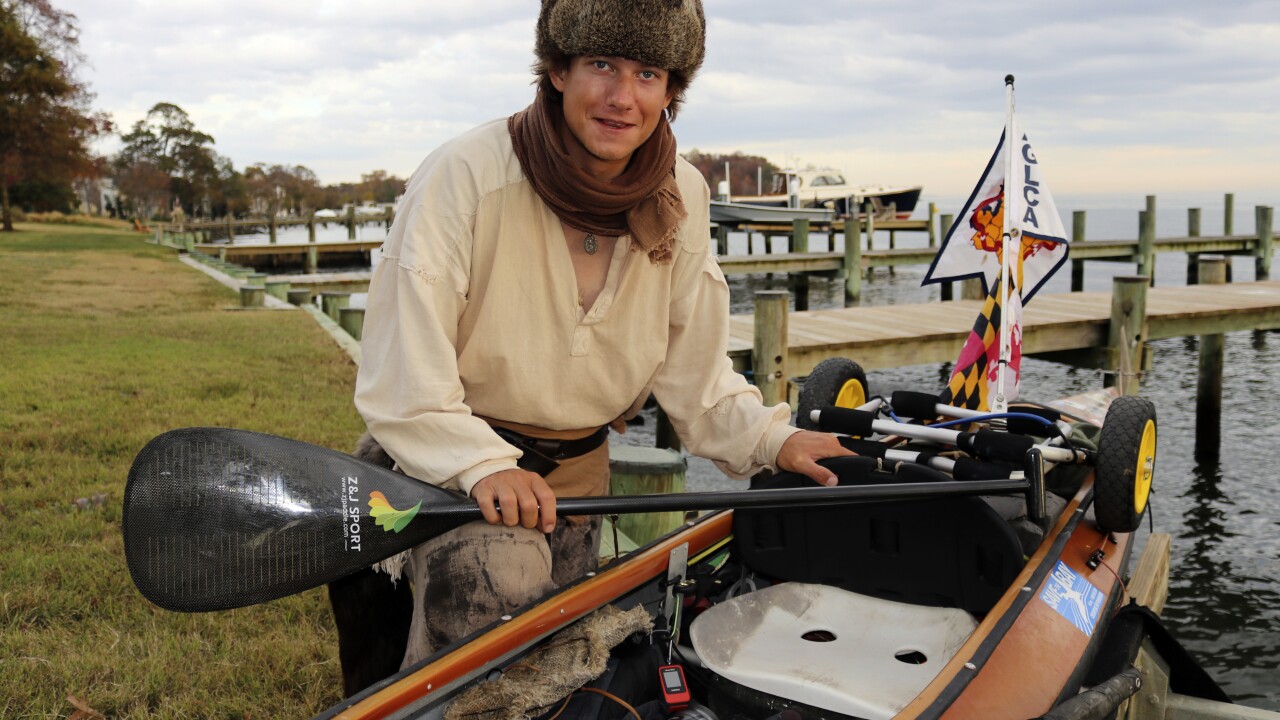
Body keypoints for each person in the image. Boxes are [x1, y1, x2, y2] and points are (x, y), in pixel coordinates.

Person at [353, 0, 852, 670]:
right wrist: (482, 465)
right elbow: (402, 378)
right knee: (495, 609)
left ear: (673, 89)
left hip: (579, 484)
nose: (623, 98)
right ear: (557, 69)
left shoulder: (684, 194)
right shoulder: (465, 175)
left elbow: (697, 382)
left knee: (567, 665)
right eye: (600, 64)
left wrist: (777, 439)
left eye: (648, 73)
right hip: (448, 471)